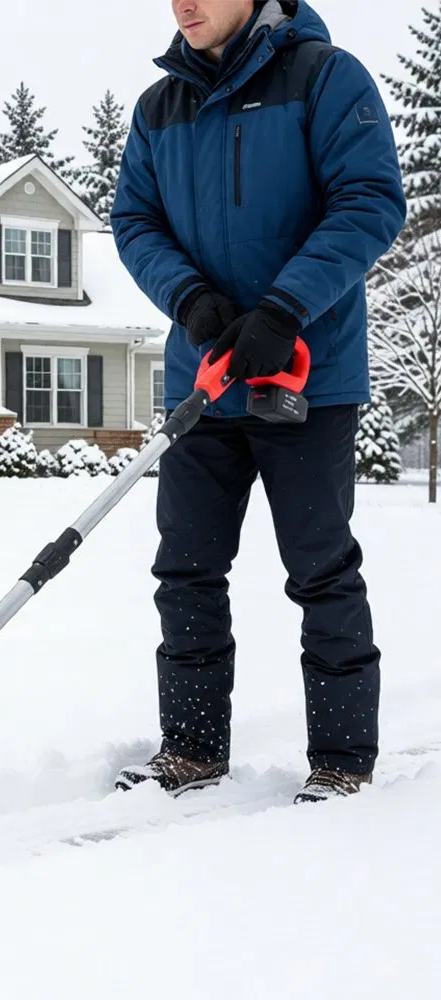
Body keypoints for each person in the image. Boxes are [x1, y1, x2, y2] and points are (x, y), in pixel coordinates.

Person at [109, 0, 406, 803]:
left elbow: (370, 201)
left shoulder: (325, 78)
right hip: (203, 379)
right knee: (186, 570)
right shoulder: (159, 107)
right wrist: (191, 300)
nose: (184, 4)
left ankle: (342, 761)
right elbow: (134, 220)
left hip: (306, 376)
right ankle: (192, 750)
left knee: (321, 570)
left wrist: (284, 309)